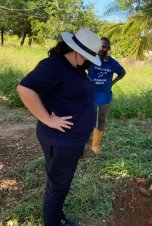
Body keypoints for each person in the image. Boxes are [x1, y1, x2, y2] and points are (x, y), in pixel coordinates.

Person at [16, 28, 102, 226]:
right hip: (61, 141)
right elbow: (25, 89)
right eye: (88, 57)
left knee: (58, 182)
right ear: (76, 52)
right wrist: (47, 119)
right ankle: (53, 222)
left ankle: (57, 216)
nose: (89, 61)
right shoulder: (54, 65)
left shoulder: (76, 68)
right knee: (58, 186)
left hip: (70, 140)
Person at [88, 37, 126, 154]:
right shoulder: (90, 59)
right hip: (88, 95)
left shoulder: (113, 63)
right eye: (99, 46)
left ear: (108, 48)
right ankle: (81, 141)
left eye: (104, 46)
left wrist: (112, 83)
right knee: (85, 119)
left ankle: (95, 147)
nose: (101, 48)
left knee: (100, 121)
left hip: (104, 97)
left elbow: (122, 72)